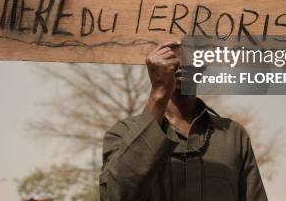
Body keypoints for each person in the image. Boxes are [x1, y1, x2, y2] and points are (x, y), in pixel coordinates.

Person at [100, 41, 268, 201]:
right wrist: (159, 94)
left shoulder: (233, 136)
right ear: (152, 65)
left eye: (188, 53)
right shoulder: (123, 133)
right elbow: (117, 195)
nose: (179, 61)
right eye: (169, 53)